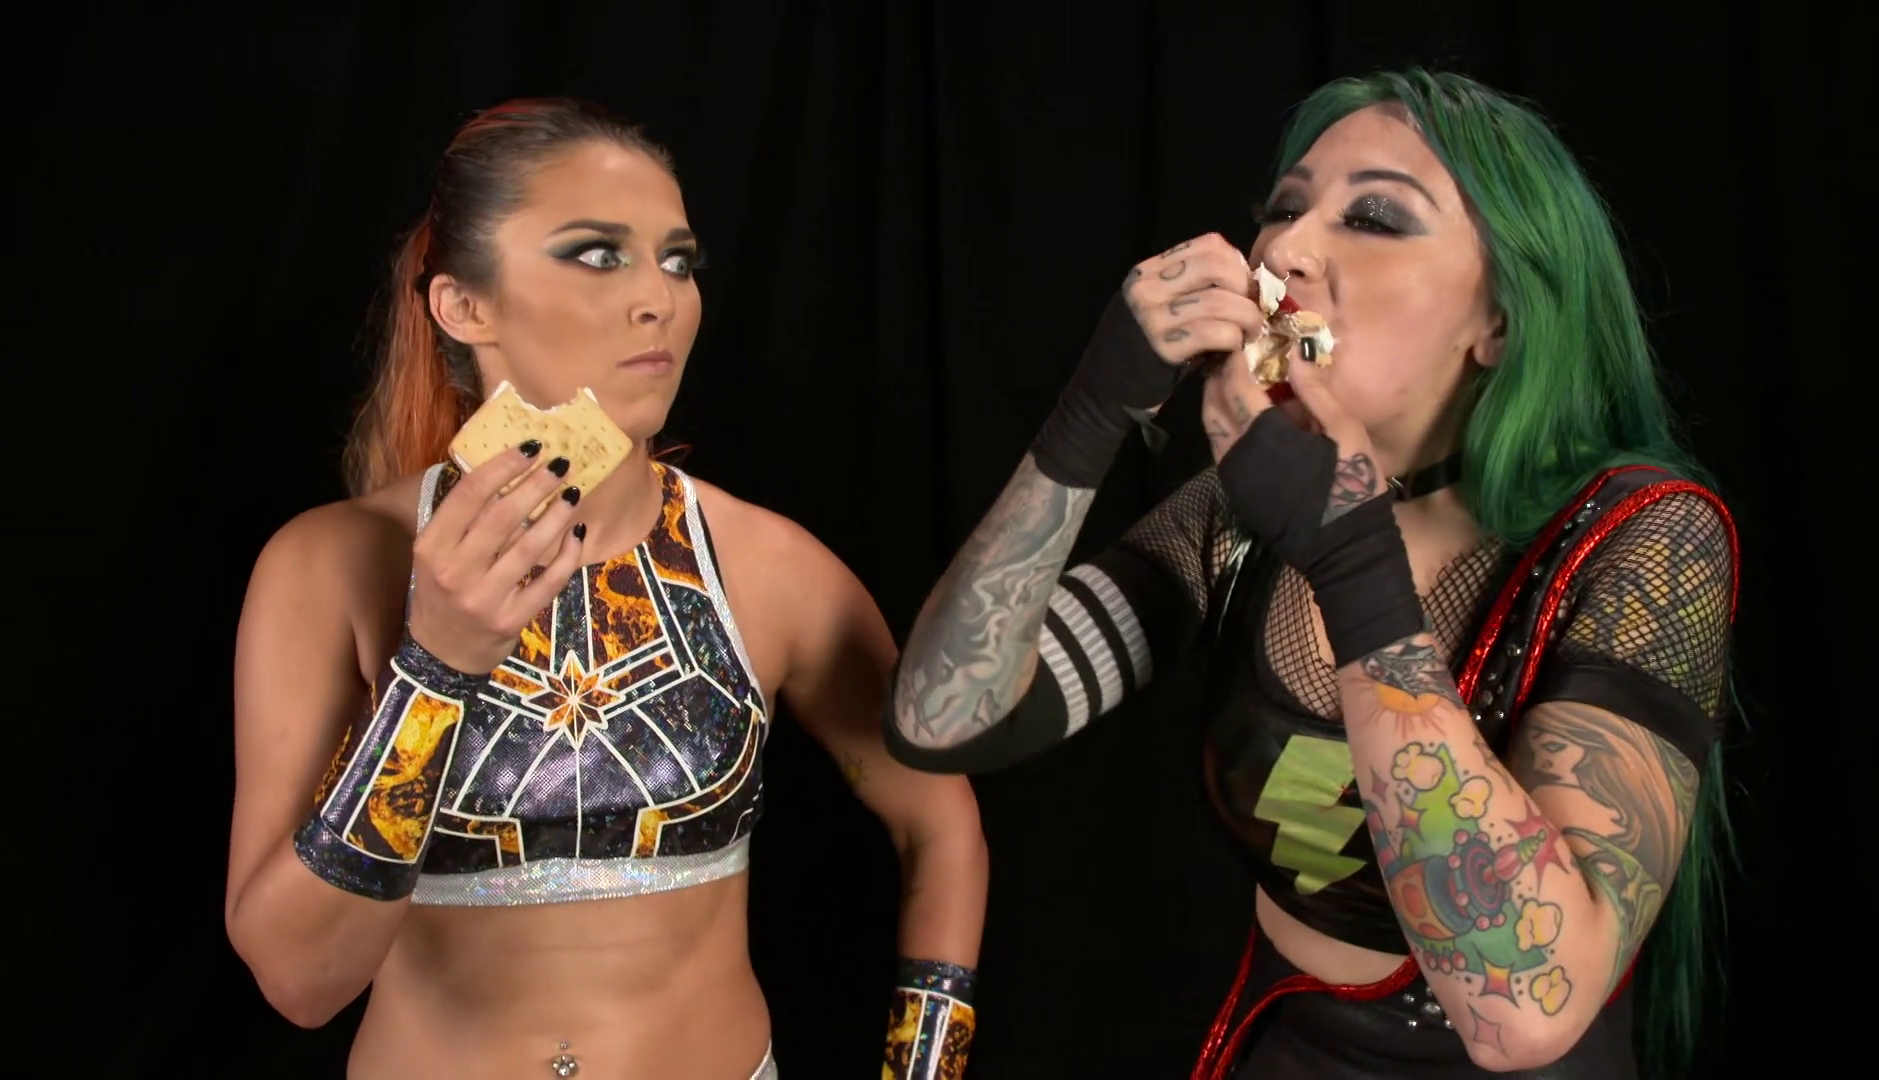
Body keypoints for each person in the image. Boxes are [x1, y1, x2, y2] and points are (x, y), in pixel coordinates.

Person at [886, 69, 1738, 1079]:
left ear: (1501, 320)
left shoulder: (1647, 537)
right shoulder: (1235, 514)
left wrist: (1349, 554)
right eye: (1285, 209)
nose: (1283, 251)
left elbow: (1524, 1008)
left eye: (1374, 218)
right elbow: (944, 718)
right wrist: (1087, 419)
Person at [225, 98, 988, 1080]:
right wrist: (436, 667)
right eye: (597, 255)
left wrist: (923, 1069)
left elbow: (941, 822)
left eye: (677, 260)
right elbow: (302, 981)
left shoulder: (768, 568)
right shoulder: (327, 567)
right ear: (464, 306)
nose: (659, 298)